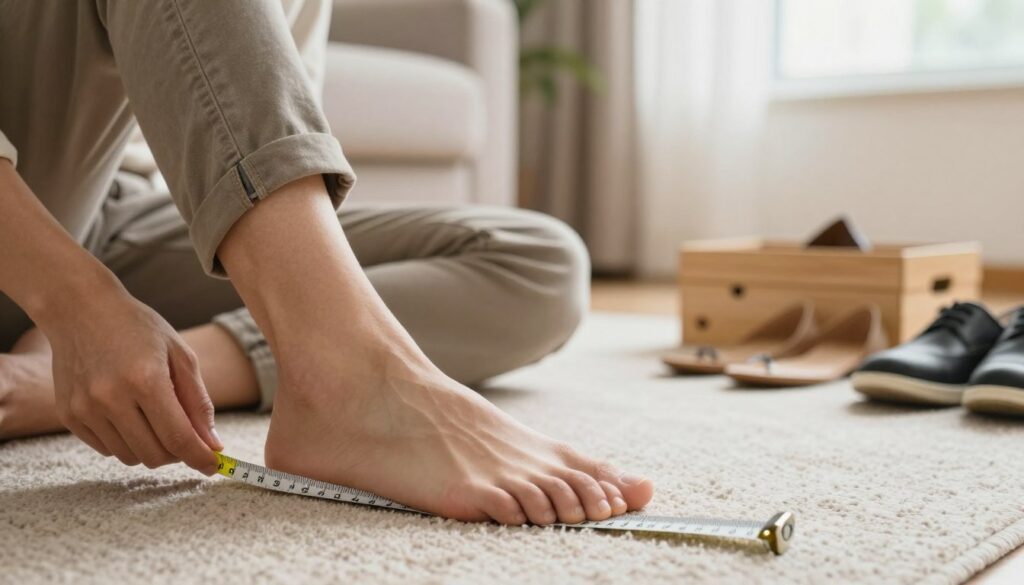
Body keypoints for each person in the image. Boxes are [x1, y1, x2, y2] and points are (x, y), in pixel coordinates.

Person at [0, 0, 653, 526]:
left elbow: (259, 156)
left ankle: (323, 374)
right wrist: (79, 303)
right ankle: (351, 378)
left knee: (537, 260)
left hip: (122, 210)